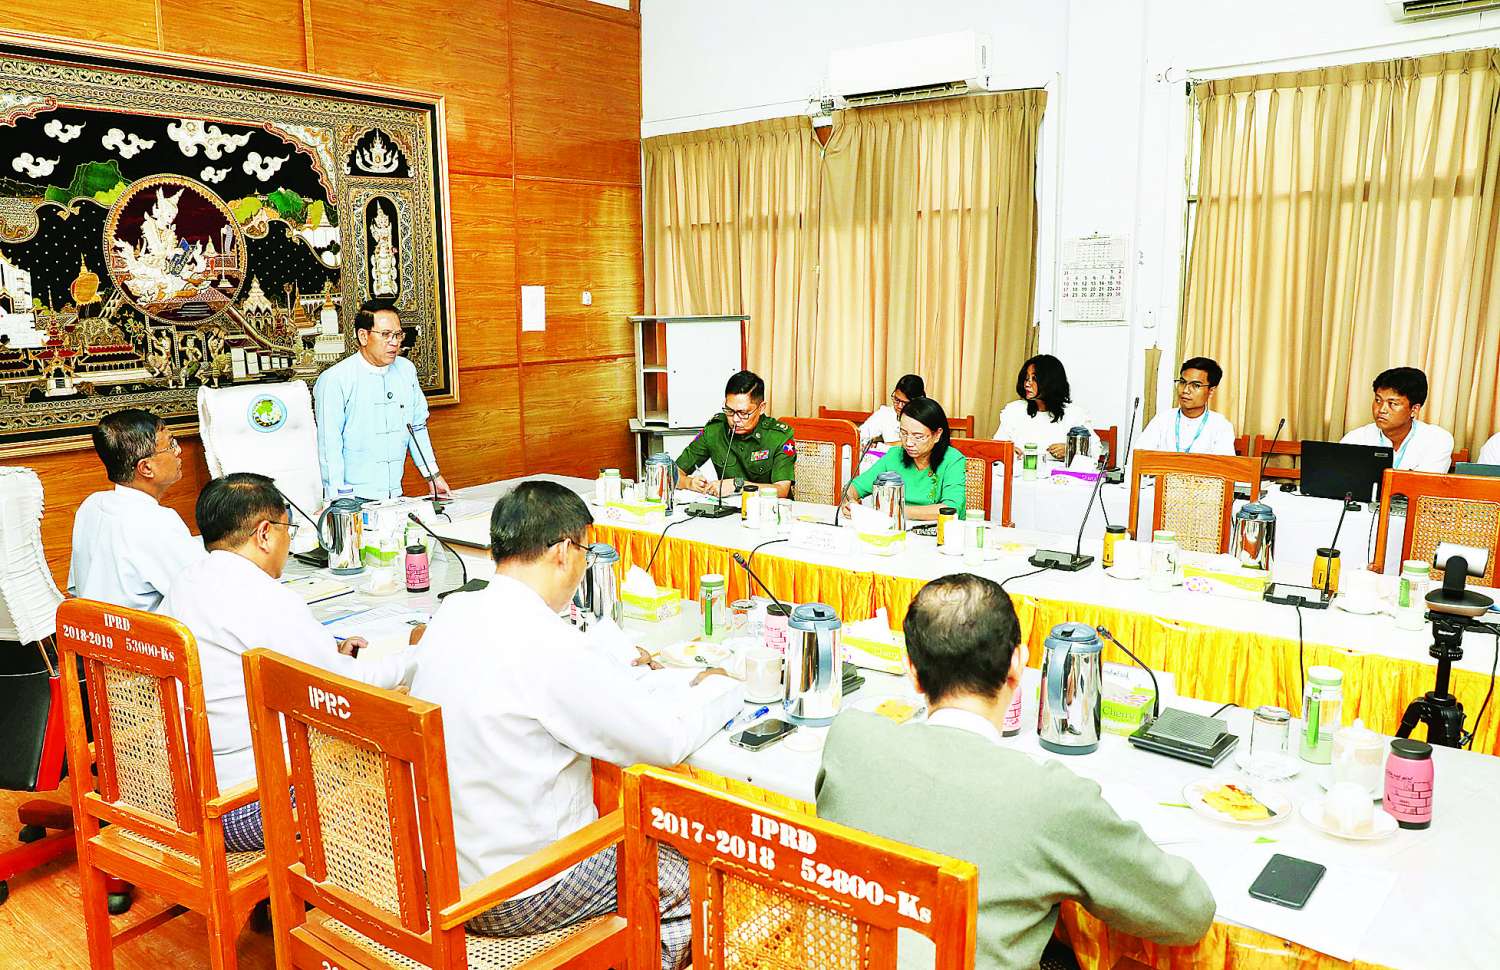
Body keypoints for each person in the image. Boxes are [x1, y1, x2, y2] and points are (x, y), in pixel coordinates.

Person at [409, 481, 741, 970]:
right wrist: (723, 690)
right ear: (563, 552)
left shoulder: (455, 611)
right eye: (586, 552)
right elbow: (664, 741)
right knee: (699, 872)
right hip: (521, 888)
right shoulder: (547, 644)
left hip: (440, 873)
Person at [817, 574, 1215, 970]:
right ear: (1017, 666)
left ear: (913, 672)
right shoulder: (1052, 798)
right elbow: (1189, 914)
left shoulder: (849, 738)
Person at [161, 473, 417, 852]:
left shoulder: (185, 583)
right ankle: (368, 869)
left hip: (179, 795)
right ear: (264, 534)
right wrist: (418, 655)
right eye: (287, 530)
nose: (288, 541)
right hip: (247, 808)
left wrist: (326, 653)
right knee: (398, 727)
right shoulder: (263, 597)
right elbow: (348, 687)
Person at [68, 408, 205, 612]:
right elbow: (204, 591)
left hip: (94, 627)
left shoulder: (91, 505)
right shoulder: (156, 522)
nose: (178, 451)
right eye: (171, 445)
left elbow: (76, 587)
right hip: (143, 631)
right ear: (146, 468)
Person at [314, 299, 450, 501]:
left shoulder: (406, 370)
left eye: (398, 335)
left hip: (395, 494)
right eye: (385, 335)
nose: (394, 342)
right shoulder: (335, 379)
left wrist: (433, 476)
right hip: (353, 497)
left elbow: (417, 427)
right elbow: (330, 445)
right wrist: (338, 501)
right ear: (363, 336)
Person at [842, 397, 967, 522]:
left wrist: (895, 510)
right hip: (897, 529)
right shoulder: (894, 456)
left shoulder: (953, 460)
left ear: (937, 434)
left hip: (939, 531)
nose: (908, 443)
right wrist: (850, 502)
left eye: (918, 437)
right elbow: (853, 488)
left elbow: (951, 508)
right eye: (903, 433)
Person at [675, 370, 796, 498]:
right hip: (728, 508)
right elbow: (672, 473)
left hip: (768, 508)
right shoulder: (714, 430)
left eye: (743, 413)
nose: (735, 419)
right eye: (730, 411)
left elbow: (782, 490)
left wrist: (738, 485)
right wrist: (689, 483)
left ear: (761, 408)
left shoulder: (779, 437)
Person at [1340, 367, 1455, 473]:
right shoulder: (1355, 439)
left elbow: (1425, 485)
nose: (1382, 410)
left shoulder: (1437, 440)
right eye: (1378, 400)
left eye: (1393, 403)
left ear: (1414, 409)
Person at [992, 354, 1095, 460]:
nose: (1027, 384)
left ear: (1051, 382)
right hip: (1019, 470)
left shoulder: (1074, 414)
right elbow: (995, 446)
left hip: (1058, 471)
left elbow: (1095, 449)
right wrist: (1007, 450)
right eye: (1026, 378)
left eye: (1034, 379)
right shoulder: (1013, 410)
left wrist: (1071, 450)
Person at [1135, 357, 1237, 456]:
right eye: (1182, 382)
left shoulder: (1221, 426)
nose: (1185, 390)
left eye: (1196, 385)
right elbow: (1138, 457)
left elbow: (1223, 466)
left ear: (1211, 391)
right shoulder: (1163, 419)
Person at [859, 374, 925, 447]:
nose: (899, 406)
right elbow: (860, 435)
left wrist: (885, 445)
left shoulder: (927, 416)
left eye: (905, 403)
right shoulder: (886, 414)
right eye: (897, 399)